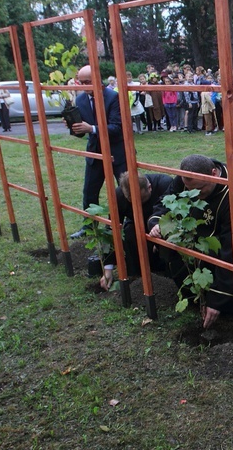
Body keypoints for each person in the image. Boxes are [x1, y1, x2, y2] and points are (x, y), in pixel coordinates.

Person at [148, 155, 233, 329]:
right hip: (205, 231)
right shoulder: (187, 177)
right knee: (176, 251)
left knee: (229, 302)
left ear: (214, 174)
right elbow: (166, 201)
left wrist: (216, 299)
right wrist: (157, 224)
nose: (195, 195)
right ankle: (198, 295)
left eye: (200, 189)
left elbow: (232, 250)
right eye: (190, 189)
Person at [70, 65, 127, 239]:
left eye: (88, 82)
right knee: (89, 191)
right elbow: (82, 133)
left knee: (124, 190)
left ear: (97, 80)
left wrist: (92, 128)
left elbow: (117, 127)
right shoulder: (80, 100)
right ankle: (89, 227)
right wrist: (75, 128)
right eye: (82, 82)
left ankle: (117, 225)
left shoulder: (113, 97)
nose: (84, 85)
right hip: (94, 153)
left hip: (117, 152)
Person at [99, 172, 173, 289]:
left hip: (164, 227)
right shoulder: (119, 195)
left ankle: (169, 280)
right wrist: (108, 268)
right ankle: (136, 280)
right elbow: (111, 228)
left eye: (141, 199)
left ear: (149, 188)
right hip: (137, 227)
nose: (137, 205)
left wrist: (161, 232)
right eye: (131, 201)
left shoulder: (165, 185)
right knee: (128, 233)